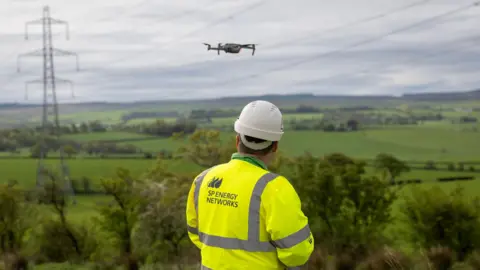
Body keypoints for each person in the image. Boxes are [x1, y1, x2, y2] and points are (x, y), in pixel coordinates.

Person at [186, 100, 314, 269]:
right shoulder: (275, 188)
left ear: (237, 139)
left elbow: (196, 234)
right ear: (275, 146)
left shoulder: (202, 180)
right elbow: (298, 252)